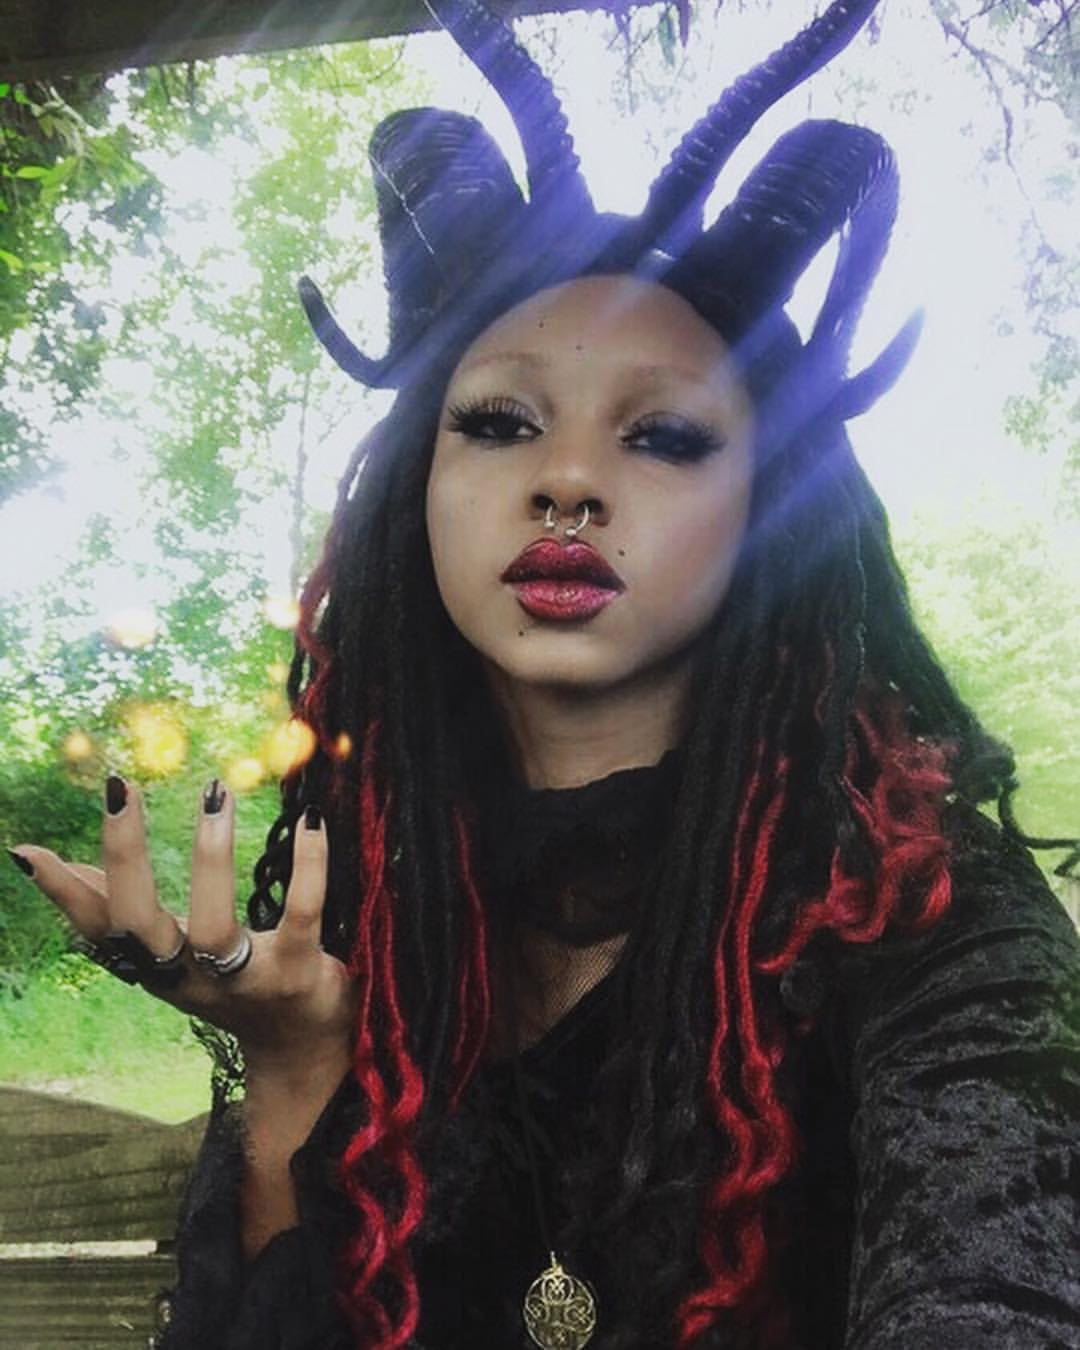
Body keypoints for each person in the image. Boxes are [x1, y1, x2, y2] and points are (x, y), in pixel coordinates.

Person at [8, 0, 1080, 1347]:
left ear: (771, 511)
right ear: (421, 493)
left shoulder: (925, 916)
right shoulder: (371, 910)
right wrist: (291, 1083)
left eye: (666, 436)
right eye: (503, 421)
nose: (567, 479)